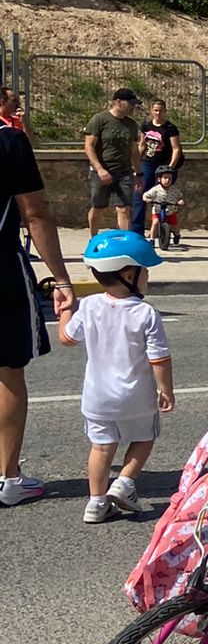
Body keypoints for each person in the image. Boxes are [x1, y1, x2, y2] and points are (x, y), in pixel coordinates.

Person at [56, 230, 174, 523]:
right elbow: (159, 358)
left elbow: (67, 338)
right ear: (128, 272)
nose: (147, 275)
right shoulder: (146, 313)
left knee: (101, 447)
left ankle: (96, 504)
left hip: (97, 397)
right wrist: (166, 390)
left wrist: (64, 311)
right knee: (145, 437)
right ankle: (124, 482)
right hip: (136, 397)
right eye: (144, 270)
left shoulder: (90, 305)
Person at [0, 120, 75, 507]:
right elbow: (35, 213)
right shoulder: (9, 140)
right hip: (1, 265)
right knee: (8, 369)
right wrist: (61, 278)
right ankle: (8, 476)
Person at [84, 88, 142, 236]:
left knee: (124, 208)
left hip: (124, 172)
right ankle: (93, 238)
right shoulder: (99, 119)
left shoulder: (131, 125)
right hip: (101, 172)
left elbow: (134, 151)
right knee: (98, 207)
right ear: (118, 102)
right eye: (130, 104)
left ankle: (125, 242)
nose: (132, 107)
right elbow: (89, 146)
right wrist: (99, 169)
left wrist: (138, 173)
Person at [133, 100, 182, 235]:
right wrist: (136, 162)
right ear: (151, 111)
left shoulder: (170, 128)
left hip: (163, 165)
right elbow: (142, 145)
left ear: (165, 111)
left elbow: (176, 149)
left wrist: (170, 168)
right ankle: (137, 230)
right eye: (155, 110)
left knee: (162, 198)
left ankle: (161, 228)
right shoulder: (146, 126)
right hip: (147, 163)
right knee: (141, 195)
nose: (158, 113)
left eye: (160, 110)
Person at [141, 166, 185, 246]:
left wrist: (180, 201)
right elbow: (146, 195)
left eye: (169, 178)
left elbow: (180, 197)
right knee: (155, 223)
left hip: (171, 211)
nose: (167, 180)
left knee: (175, 225)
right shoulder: (155, 189)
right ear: (159, 179)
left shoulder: (174, 190)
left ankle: (177, 235)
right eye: (165, 178)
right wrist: (146, 199)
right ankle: (152, 239)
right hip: (158, 211)